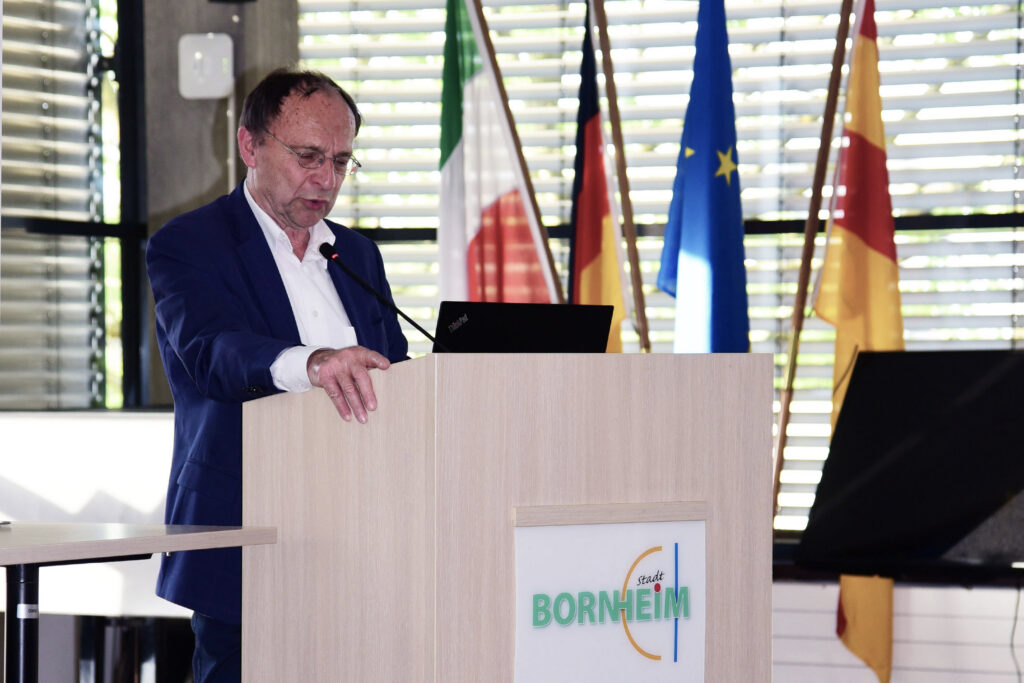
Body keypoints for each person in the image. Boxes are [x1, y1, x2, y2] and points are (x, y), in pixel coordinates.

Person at [146, 68, 408, 682]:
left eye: (343, 161)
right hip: (250, 527)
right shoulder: (190, 244)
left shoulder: (356, 254)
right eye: (309, 156)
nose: (326, 179)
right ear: (250, 146)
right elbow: (212, 351)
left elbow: (392, 366)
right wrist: (314, 364)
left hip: (370, 532)